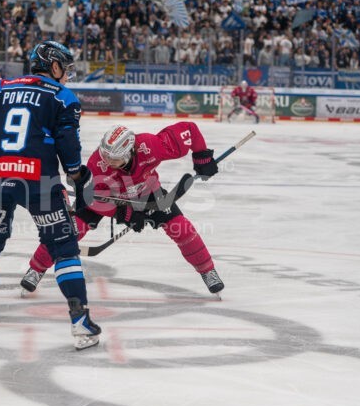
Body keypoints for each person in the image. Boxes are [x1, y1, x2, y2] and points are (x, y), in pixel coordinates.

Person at [0, 40, 101, 350]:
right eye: (65, 68)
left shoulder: (1, 87)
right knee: (63, 246)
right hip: (39, 179)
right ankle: (81, 323)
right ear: (53, 66)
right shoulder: (63, 96)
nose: (67, 75)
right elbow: (67, 144)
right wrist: (77, 175)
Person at [19, 122, 225, 296]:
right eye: (105, 155)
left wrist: (202, 158)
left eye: (114, 158)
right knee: (69, 229)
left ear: (130, 152)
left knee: (182, 229)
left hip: (148, 192)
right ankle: (35, 269)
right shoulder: (96, 165)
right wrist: (124, 214)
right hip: (107, 198)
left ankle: (207, 271)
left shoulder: (152, 146)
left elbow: (189, 130)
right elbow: (92, 199)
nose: (107, 161)